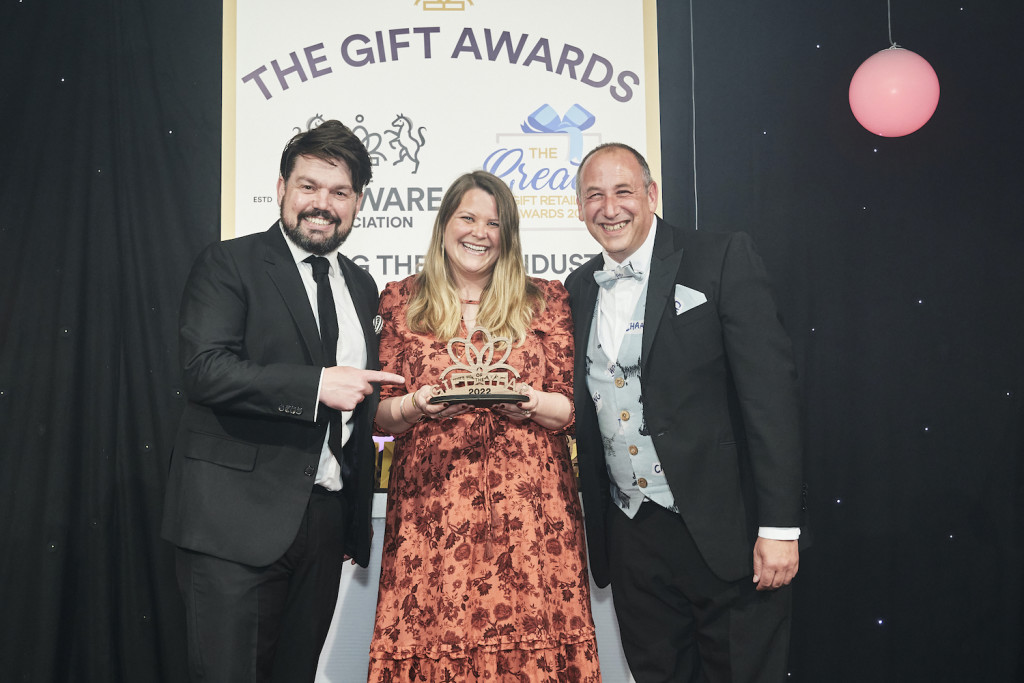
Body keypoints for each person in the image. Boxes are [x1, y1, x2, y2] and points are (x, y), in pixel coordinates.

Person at [161, 120, 404, 683]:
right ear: (280, 189)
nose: (322, 204)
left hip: (321, 524)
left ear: (359, 202)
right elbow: (205, 371)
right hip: (231, 526)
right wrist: (316, 386)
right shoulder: (229, 263)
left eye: (339, 192)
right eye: (309, 187)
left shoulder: (363, 286)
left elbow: (362, 407)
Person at [564, 143, 804, 683]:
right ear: (579, 208)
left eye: (623, 191)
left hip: (729, 531)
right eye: (593, 195)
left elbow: (772, 399)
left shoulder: (720, 257)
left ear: (652, 194)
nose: (610, 207)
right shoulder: (577, 288)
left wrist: (780, 526)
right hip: (631, 537)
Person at [368, 171, 601, 681]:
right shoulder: (400, 300)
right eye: (467, 218)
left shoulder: (546, 299)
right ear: (444, 224)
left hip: (534, 516)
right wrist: (417, 406)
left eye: (494, 223)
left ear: (509, 234)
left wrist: (531, 401)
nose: (479, 232)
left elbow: (576, 409)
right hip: (430, 516)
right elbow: (378, 414)